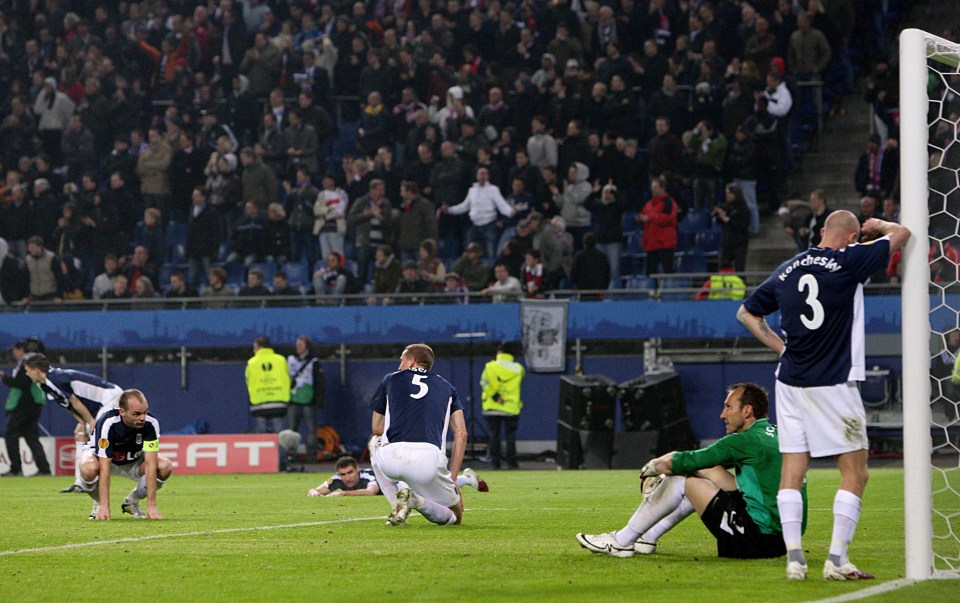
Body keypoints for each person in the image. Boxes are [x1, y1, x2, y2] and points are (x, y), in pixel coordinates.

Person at [737, 211, 910, 580]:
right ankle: (836, 559)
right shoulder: (850, 260)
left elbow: (746, 314)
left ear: (820, 232)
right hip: (833, 381)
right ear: (850, 237)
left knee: (793, 470)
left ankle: (795, 559)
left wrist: (781, 348)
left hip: (789, 380)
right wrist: (877, 226)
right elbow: (902, 233)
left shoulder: (788, 269)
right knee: (855, 473)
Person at [576, 384, 800, 560]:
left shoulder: (745, 440)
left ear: (747, 410)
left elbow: (686, 460)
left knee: (683, 478)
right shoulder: (776, 434)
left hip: (755, 541)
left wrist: (652, 467)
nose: (723, 414)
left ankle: (621, 541)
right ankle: (648, 537)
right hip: (783, 540)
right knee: (706, 471)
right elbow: (723, 476)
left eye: (728, 407)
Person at [369, 343, 467, 526]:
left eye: (402, 360)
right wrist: (452, 479)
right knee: (456, 517)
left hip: (391, 459)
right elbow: (461, 434)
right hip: (428, 461)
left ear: (412, 361)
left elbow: (376, 428)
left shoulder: (390, 379)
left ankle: (397, 508)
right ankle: (416, 502)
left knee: (374, 442)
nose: (399, 366)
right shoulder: (447, 387)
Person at [23, 353, 125, 492]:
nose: (26, 374)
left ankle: (103, 476)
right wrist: (82, 422)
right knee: (81, 435)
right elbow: (66, 404)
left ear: (36, 370)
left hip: (110, 397)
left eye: (27, 370)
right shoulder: (44, 385)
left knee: (96, 438)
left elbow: (74, 401)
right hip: (97, 406)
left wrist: (90, 421)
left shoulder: (55, 379)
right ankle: (80, 483)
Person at [79, 389, 173, 520]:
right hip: (105, 461)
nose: (142, 418)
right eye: (136, 414)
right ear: (122, 412)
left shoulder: (151, 423)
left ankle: (132, 501)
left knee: (164, 466)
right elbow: (104, 466)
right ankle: (99, 502)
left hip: (133, 460)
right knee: (88, 468)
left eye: (145, 412)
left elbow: (151, 463)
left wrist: (152, 506)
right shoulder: (108, 422)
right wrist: (105, 505)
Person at [307, 457, 487, 497]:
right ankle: (465, 479)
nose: (346, 478)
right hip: (400, 484)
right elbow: (319, 489)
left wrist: (343, 494)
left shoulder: (368, 476)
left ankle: (465, 479)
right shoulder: (337, 479)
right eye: (343, 474)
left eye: (350, 473)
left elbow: (371, 491)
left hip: (400, 480)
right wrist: (315, 492)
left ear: (357, 470)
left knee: (430, 487)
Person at [0, 340, 52, 477]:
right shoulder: (35, 361)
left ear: (20, 349)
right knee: (31, 437)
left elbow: (21, 383)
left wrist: (5, 378)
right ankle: (44, 469)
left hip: (24, 406)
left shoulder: (27, 363)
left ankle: (15, 468)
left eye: (14, 351)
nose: (13, 354)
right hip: (33, 405)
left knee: (11, 435)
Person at [480, 342, 524, 470]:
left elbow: (484, 382)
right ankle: (512, 463)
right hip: (511, 408)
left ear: (499, 352)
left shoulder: (490, 367)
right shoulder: (518, 368)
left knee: (494, 436)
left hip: (492, 407)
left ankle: (495, 463)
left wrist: (495, 396)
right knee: (511, 436)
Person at [287, 336, 323, 461]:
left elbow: (319, 382)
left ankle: (312, 456)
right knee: (292, 431)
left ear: (307, 346)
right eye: (297, 345)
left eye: (301, 345)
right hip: (293, 399)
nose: (298, 347)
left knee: (311, 430)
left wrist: (318, 401)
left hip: (308, 401)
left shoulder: (314, 362)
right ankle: (291, 455)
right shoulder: (290, 360)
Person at [245, 336, 290, 434]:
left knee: (262, 436)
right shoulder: (281, 360)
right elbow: (288, 378)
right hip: (278, 402)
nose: (254, 351)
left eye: (255, 348)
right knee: (280, 435)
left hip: (259, 403)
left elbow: (248, 381)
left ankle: (264, 449)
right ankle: (279, 449)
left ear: (260, 347)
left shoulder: (252, 362)